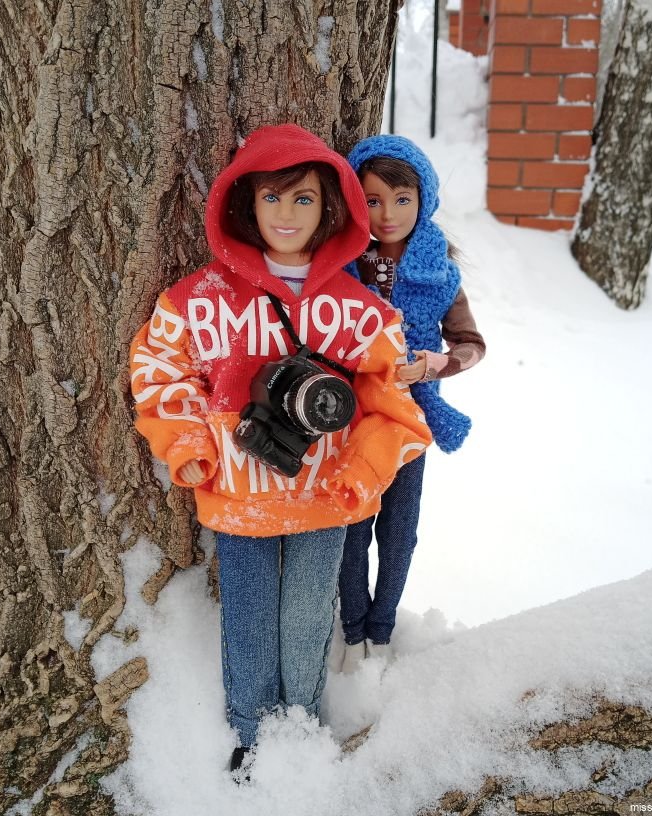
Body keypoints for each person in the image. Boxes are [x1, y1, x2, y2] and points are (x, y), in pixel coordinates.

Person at [129, 124, 431, 778]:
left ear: (330, 210)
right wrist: (189, 445)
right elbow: (158, 369)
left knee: (303, 626)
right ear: (245, 204)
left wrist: (361, 473)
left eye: (304, 200)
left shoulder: (360, 311)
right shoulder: (199, 300)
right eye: (272, 199)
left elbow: (392, 404)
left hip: (325, 502)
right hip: (239, 500)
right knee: (249, 625)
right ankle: (249, 733)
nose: (287, 215)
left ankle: (302, 727)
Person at [338, 134, 486, 672]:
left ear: (423, 201)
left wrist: (437, 363)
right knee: (353, 523)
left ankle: (383, 626)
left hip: (411, 418)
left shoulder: (440, 274)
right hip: (353, 417)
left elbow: (472, 345)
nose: (387, 213)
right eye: (372, 200)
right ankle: (352, 629)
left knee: (399, 528)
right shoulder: (343, 263)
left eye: (402, 200)